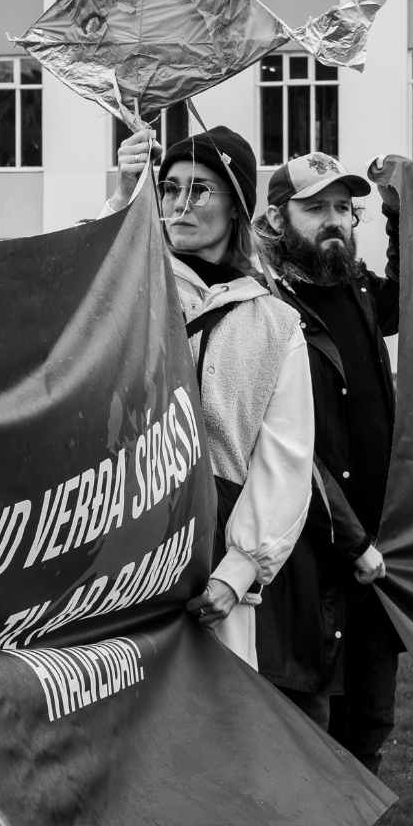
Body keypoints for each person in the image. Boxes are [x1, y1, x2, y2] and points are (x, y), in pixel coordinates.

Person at [107, 125, 314, 668]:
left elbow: (284, 461)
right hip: (124, 527)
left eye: (198, 190)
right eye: (169, 189)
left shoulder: (275, 323)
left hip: (214, 551)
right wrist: (126, 195)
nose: (179, 204)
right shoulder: (134, 285)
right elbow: (86, 289)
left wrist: (239, 570)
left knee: (211, 723)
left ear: (236, 205)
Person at [251, 150, 402, 772]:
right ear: (277, 219)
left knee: (366, 735)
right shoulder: (264, 306)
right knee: (305, 752)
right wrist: (352, 539)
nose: (334, 220)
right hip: (308, 564)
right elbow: (284, 446)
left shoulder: (362, 292)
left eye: (345, 208)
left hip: (374, 567)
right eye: (316, 208)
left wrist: (399, 202)